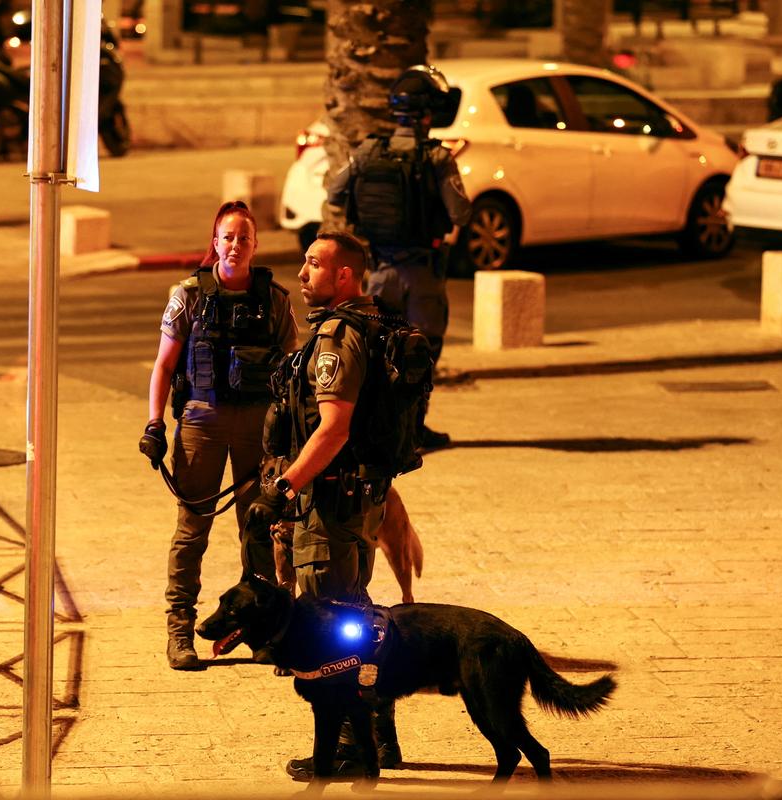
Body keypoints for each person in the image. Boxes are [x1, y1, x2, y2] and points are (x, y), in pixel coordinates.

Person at [243, 231, 400, 780]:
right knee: (355, 621)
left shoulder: (337, 337)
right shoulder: (370, 321)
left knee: (332, 634)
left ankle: (348, 752)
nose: (303, 274)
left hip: (332, 508)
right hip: (357, 501)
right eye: (305, 263)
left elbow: (332, 429)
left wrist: (281, 489)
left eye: (315, 265)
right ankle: (378, 741)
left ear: (345, 277)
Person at [141, 200, 298, 671]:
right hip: (201, 424)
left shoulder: (275, 299)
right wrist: (155, 424)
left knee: (258, 533)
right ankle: (180, 631)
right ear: (215, 243)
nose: (235, 245)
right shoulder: (188, 294)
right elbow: (165, 365)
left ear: (255, 244)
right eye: (227, 237)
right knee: (192, 531)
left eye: (243, 238)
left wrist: (289, 437)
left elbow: (291, 369)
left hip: (257, 430)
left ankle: (265, 634)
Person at [327, 64, 471, 451]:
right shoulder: (437, 158)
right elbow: (460, 213)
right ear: (428, 114)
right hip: (422, 273)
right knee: (422, 354)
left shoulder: (369, 150)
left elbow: (334, 194)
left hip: (381, 273)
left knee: (379, 356)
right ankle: (413, 431)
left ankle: (380, 430)